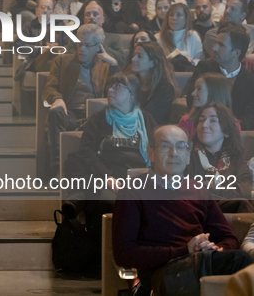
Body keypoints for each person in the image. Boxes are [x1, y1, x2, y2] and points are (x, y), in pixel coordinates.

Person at [113, 124, 253, 296]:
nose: (174, 153)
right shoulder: (133, 190)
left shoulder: (198, 190)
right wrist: (185, 251)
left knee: (242, 261)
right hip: (160, 272)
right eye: (165, 146)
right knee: (187, 278)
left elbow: (228, 238)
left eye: (181, 146)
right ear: (151, 154)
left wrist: (216, 250)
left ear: (188, 156)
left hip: (201, 263)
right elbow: (124, 254)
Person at [61, 73, 157, 266]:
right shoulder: (98, 119)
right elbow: (86, 151)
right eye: (109, 86)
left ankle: (144, 260)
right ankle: (105, 262)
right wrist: (107, 176)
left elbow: (157, 151)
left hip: (142, 176)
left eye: (117, 86)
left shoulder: (146, 120)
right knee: (106, 204)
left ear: (132, 94)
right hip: (109, 175)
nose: (110, 90)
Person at [42, 24, 120, 169]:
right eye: (79, 44)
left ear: (98, 47)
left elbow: (119, 94)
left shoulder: (106, 65)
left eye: (87, 45)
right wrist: (57, 98)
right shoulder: (63, 61)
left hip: (95, 117)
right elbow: (50, 87)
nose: (81, 49)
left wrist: (114, 65)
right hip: (69, 114)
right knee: (55, 112)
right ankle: (58, 168)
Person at [186, 103, 254, 212]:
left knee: (242, 204)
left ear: (226, 131)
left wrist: (203, 186)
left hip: (227, 212)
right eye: (201, 120)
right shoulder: (186, 156)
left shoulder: (235, 159)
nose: (204, 125)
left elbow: (243, 191)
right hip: (193, 210)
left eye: (213, 120)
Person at [186, 22, 254, 130]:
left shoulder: (250, 82)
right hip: (203, 129)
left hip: (234, 136)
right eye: (216, 43)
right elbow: (192, 101)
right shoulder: (203, 68)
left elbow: (249, 120)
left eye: (221, 45)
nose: (215, 48)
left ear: (236, 53)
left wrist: (223, 128)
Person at [66, 0, 126, 65]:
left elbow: (122, 59)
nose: (91, 17)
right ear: (84, 20)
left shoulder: (114, 38)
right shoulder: (74, 38)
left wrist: (98, 45)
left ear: (103, 19)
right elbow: (70, 60)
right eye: (88, 14)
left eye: (95, 14)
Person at [131, 41, 177, 124]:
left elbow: (147, 118)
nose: (133, 59)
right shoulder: (130, 82)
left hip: (153, 132)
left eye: (139, 56)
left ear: (153, 63)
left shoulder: (165, 89)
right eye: (134, 55)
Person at [180, 73, 236, 137]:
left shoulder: (232, 124)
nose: (193, 93)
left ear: (214, 92)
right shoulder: (187, 121)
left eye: (199, 89)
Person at [155, 2, 204, 68]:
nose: (174, 18)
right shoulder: (158, 37)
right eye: (171, 14)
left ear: (186, 18)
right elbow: (155, 61)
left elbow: (200, 60)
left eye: (179, 15)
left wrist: (189, 62)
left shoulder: (193, 36)